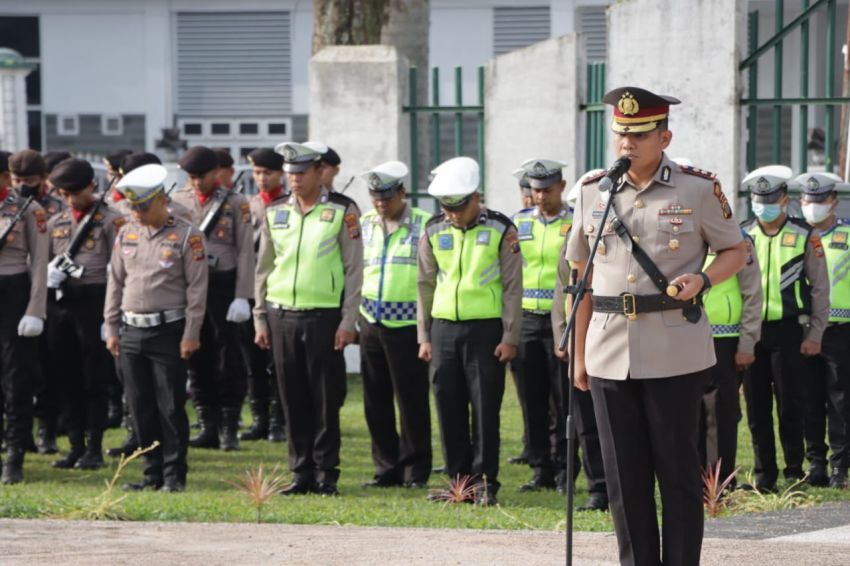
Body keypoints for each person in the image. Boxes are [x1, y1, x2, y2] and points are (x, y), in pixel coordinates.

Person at [566, 86, 747, 565]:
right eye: (621, 134)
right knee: (624, 479)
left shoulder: (696, 188)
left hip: (674, 349)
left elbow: (736, 250)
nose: (627, 143)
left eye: (639, 135)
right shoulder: (591, 191)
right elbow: (579, 280)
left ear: (663, 136)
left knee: (677, 473)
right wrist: (579, 355)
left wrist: (705, 277)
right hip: (607, 350)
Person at [254, 142, 362, 496]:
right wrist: (260, 317)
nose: (295, 180)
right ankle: (300, 472)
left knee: (325, 399)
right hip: (281, 313)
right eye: (290, 174)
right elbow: (264, 268)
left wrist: (348, 320)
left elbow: (353, 269)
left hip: (323, 317)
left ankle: (326, 473)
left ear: (319, 172)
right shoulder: (276, 212)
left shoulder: (343, 211)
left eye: (301, 173)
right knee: (292, 397)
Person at [418, 156, 522, 506]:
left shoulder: (501, 228)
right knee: (448, 408)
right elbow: (424, 285)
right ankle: (458, 482)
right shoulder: (433, 229)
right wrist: (424, 336)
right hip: (444, 329)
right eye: (446, 206)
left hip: (486, 331)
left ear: (476, 197)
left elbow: (512, 287)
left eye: (459, 206)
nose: (452, 213)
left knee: (484, 409)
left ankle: (485, 482)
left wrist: (510, 336)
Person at [104, 163, 208, 492]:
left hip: (169, 331)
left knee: (170, 406)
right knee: (139, 405)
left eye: (143, 206)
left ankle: (174, 475)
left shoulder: (188, 236)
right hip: (132, 330)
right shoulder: (127, 233)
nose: (136, 213)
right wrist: (112, 326)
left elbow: (197, 290)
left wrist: (192, 333)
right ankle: (150, 473)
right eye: (132, 206)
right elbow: (116, 282)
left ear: (162, 201)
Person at [741, 165, 829, 492]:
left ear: (784, 199)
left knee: (790, 404)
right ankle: (765, 473)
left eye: (769, 198)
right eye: (757, 198)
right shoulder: (743, 233)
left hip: (790, 332)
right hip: (752, 332)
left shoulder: (805, 234)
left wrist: (816, 334)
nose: (763, 204)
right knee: (756, 407)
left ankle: (794, 469)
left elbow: (820, 289)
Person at [171, 146, 255, 451]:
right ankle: (207, 424)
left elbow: (245, 250)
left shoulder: (235, 203)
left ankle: (229, 426)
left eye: (201, 176)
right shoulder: (178, 200)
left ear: (215, 173)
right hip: (191, 286)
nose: (196, 182)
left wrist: (243, 296)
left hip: (223, 286)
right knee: (195, 355)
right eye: (191, 177)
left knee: (228, 357)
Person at [46, 158, 125, 470]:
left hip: (96, 302)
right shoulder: (57, 222)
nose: (68, 199)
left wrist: (112, 316)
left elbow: (119, 269)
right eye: (63, 194)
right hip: (63, 303)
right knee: (66, 375)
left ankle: (93, 446)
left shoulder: (110, 220)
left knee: (95, 377)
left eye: (74, 193)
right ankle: (75, 444)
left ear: (91, 187)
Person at [358, 161, 432, 488]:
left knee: (411, 401)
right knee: (376, 400)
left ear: (402, 192)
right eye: (375, 197)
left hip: (407, 325)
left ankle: (415, 470)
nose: (380, 203)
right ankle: (385, 468)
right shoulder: (364, 224)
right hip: (371, 321)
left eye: (386, 197)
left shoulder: (424, 224)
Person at [509, 158, 574, 493]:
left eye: (547, 190)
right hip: (526, 320)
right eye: (535, 190)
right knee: (531, 400)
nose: (540, 196)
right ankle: (540, 468)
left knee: (564, 400)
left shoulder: (575, 222)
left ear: (562, 187)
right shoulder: (517, 224)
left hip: (561, 321)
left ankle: (566, 469)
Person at [551, 169, 609, 511]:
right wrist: (567, 339)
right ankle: (597, 487)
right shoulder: (570, 250)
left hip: (610, 335)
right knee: (585, 422)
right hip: (582, 342)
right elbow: (565, 295)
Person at [795, 171, 850, 489]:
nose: (812, 206)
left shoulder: (846, 236)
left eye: (818, 201)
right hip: (803, 330)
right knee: (807, 399)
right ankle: (814, 464)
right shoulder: (799, 237)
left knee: (840, 401)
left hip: (841, 331)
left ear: (833, 202)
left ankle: (840, 466)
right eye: (806, 200)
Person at [699, 228, 762, 488]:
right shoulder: (684, 235)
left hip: (725, 340)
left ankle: (720, 485)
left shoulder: (738, 239)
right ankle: (695, 482)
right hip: (684, 339)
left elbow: (752, 295)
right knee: (689, 414)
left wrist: (747, 343)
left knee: (721, 413)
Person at [0, 150, 49, 484]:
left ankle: (15, 455)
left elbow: (40, 264)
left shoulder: (28, 210)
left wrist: (35, 309)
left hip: (14, 294)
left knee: (16, 380)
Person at [10, 150, 59, 456]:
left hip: (50, 294)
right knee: (19, 371)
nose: (23, 185)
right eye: (18, 180)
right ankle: (20, 434)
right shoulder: (11, 206)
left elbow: (46, 255)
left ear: (43, 179)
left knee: (49, 366)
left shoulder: (55, 206)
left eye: (29, 180)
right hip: (17, 292)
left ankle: (48, 428)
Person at [239, 147, 287, 443]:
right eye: (257, 172)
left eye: (267, 172)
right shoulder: (248, 206)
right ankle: (260, 418)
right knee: (252, 361)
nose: (261, 178)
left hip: (278, 291)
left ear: (280, 173)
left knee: (278, 361)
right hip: (249, 291)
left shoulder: (287, 206)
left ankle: (279, 420)